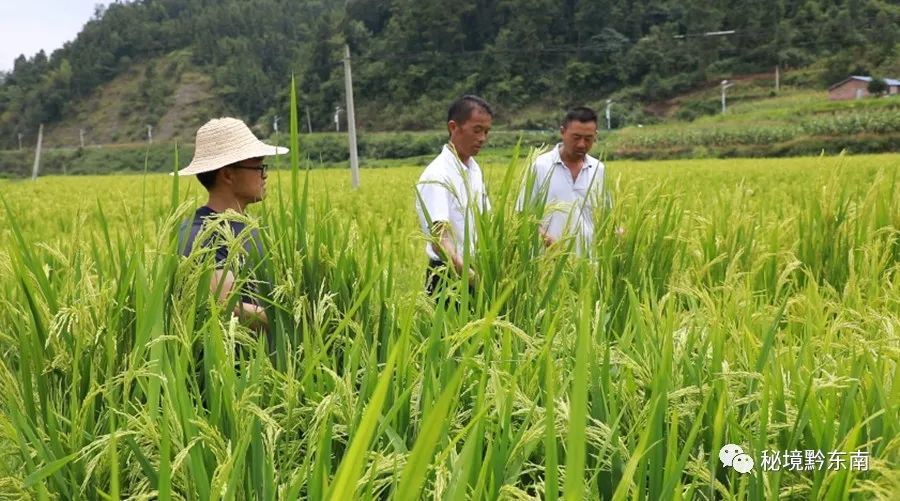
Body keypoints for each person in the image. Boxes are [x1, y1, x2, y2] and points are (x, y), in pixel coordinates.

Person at [176, 117, 287, 330]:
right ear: (228, 174)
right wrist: (292, 318)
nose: (265, 175)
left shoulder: (244, 226)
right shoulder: (205, 233)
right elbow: (223, 306)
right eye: (258, 167)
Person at [415, 95, 493, 298]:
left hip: (478, 272)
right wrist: (469, 275)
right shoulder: (437, 175)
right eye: (476, 130)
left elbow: (486, 224)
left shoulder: (474, 171)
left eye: (486, 132)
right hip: (447, 277)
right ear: (453, 127)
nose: (482, 138)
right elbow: (439, 239)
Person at [518, 106, 611, 257]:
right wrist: (548, 242)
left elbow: (606, 217)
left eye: (588, 139)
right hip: (547, 262)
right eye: (576, 137)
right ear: (562, 132)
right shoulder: (539, 166)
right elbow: (523, 215)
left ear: (596, 135)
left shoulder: (598, 169)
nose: (582, 144)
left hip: (588, 262)